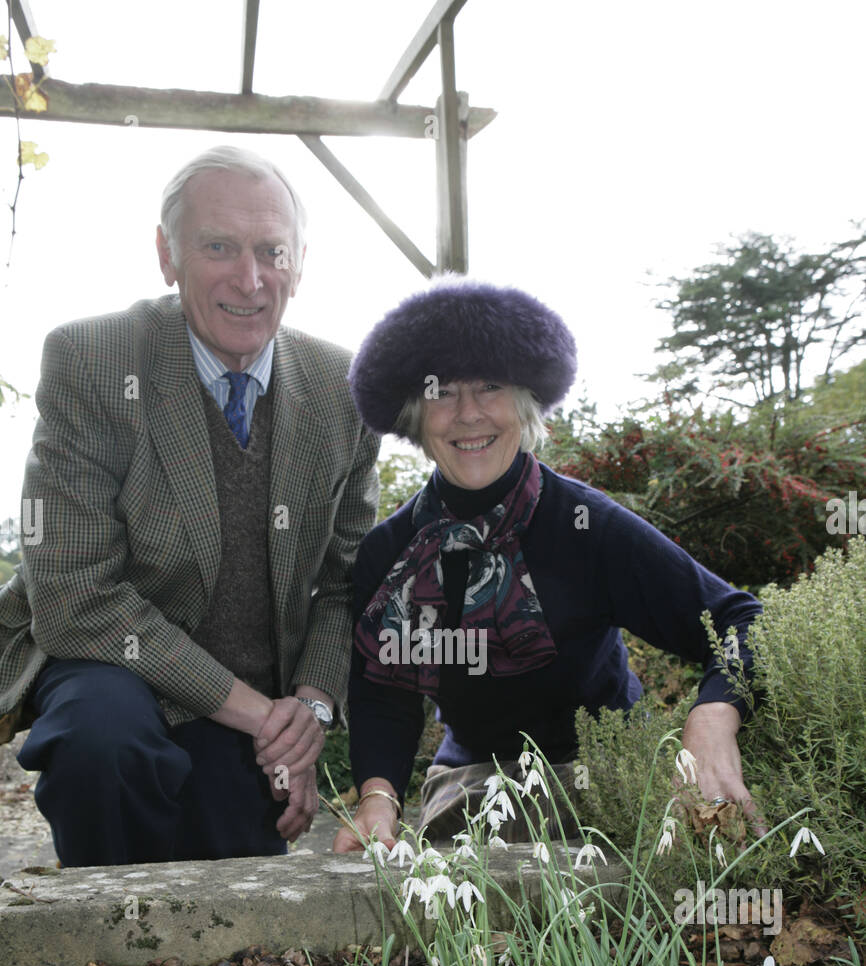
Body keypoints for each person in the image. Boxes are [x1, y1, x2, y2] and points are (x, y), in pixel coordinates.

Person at [0, 146, 380, 866]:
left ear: (301, 260)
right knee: (101, 747)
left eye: (272, 250)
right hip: (111, 667)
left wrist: (307, 713)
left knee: (234, 888)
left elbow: (345, 582)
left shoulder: (342, 388)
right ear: (166, 255)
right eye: (218, 247)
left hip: (251, 699)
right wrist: (260, 711)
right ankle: (98, 955)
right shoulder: (93, 360)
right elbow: (75, 594)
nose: (250, 278)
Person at [332, 277, 763, 853]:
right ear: (415, 413)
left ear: (526, 401)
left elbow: (739, 619)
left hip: (607, 770)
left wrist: (713, 715)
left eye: (490, 386)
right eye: (442, 392)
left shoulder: (587, 524)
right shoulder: (390, 552)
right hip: (474, 782)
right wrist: (378, 798)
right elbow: (384, 696)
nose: (467, 414)